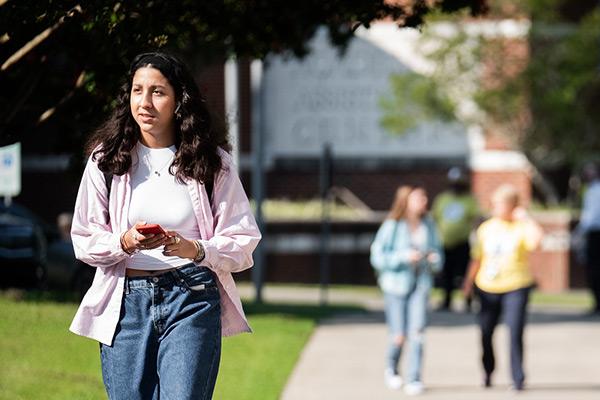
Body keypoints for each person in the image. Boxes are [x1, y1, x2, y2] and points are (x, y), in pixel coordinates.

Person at [69, 52, 261, 400]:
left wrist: (197, 249)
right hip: (125, 302)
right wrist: (124, 242)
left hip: (192, 297)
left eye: (157, 92)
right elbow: (84, 237)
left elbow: (243, 236)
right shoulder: (106, 160)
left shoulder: (212, 161)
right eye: (137, 90)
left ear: (178, 101)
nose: (145, 102)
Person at [462, 184, 543, 391]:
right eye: (495, 203)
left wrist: (525, 217)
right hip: (487, 286)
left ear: (512, 206)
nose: (496, 207)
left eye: (501, 204)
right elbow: (477, 258)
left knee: (515, 331)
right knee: (486, 332)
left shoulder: (521, 227)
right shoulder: (486, 228)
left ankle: (518, 378)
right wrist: (468, 283)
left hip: (516, 285)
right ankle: (488, 370)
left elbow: (537, 241)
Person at [370, 186, 443, 396]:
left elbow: (438, 254)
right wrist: (403, 257)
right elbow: (377, 257)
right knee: (399, 334)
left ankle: (414, 377)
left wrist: (432, 259)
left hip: (420, 283)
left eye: (424, 197)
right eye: (418, 198)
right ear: (406, 201)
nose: (423, 201)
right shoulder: (393, 225)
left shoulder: (428, 225)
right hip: (396, 285)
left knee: (418, 332)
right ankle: (391, 367)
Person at [432, 166, 480, 312]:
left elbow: (476, 219)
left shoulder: (469, 200)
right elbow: (435, 218)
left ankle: (468, 300)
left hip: (462, 242)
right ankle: (447, 301)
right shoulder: (442, 199)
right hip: (445, 243)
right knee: (446, 274)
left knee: (466, 273)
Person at [573, 162, 600, 314]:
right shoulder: (589, 190)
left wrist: (579, 232)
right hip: (593, 233)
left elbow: (591, 216)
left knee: (594, 269)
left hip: (596, 233)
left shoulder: (595, 191)